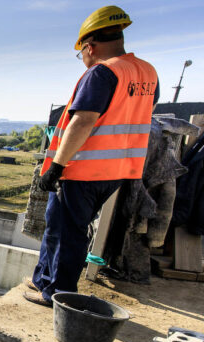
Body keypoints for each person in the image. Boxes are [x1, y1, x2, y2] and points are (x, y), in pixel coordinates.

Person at [25, 5, 159, 306]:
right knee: (61, 225)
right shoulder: (147, 72)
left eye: (81, 53)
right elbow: (140, 112)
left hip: (83, 169)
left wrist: (56, 166)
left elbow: (83, 121)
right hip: (118, 169)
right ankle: (43, 280)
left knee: (66, 231)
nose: (83, 60)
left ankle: (57, 293)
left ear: (90, 46)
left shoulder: (102, 72)